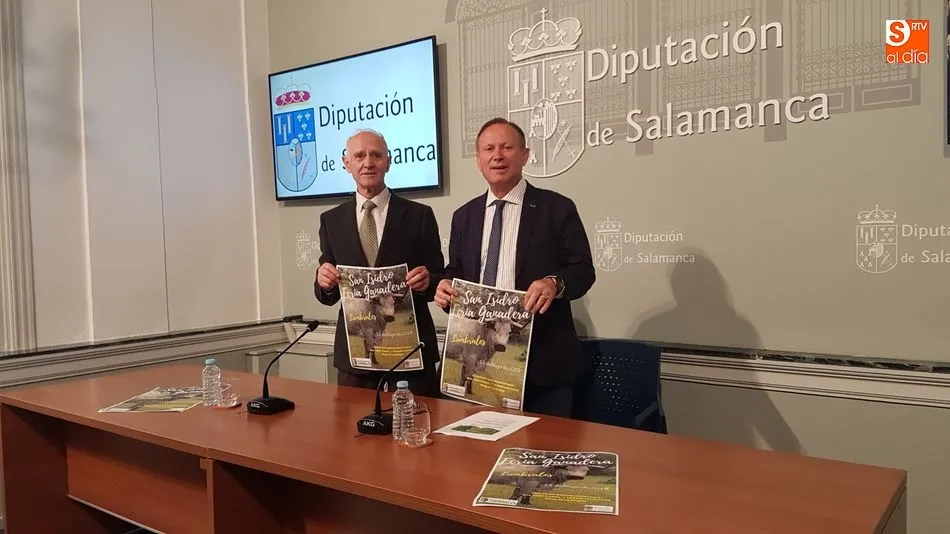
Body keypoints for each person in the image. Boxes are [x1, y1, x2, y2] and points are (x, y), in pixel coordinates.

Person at [434, 117, 595, 417]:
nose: (498, 155)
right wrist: (444, 287)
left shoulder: (557, 208)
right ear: (478, 160)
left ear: (525, 154)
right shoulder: (464, 216)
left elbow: (583, 269)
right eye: (489, 149)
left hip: (543, 366)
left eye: (507, 147)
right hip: (479, 361)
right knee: (475, 457)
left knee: (545, 458)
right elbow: (455, 270)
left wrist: (553, 283)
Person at [315, 129, 444, 397]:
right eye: (359, 155)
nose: (368, 162)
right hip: (356, 354)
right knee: (355, 434)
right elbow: (326, 294)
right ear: (346, 162)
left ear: (389, 160)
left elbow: (439, 278)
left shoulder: (419, 215)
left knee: (417, 430)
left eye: (376, 155)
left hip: (409, 353)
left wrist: (426, 281)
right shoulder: (331, 220)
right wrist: (324, 282)